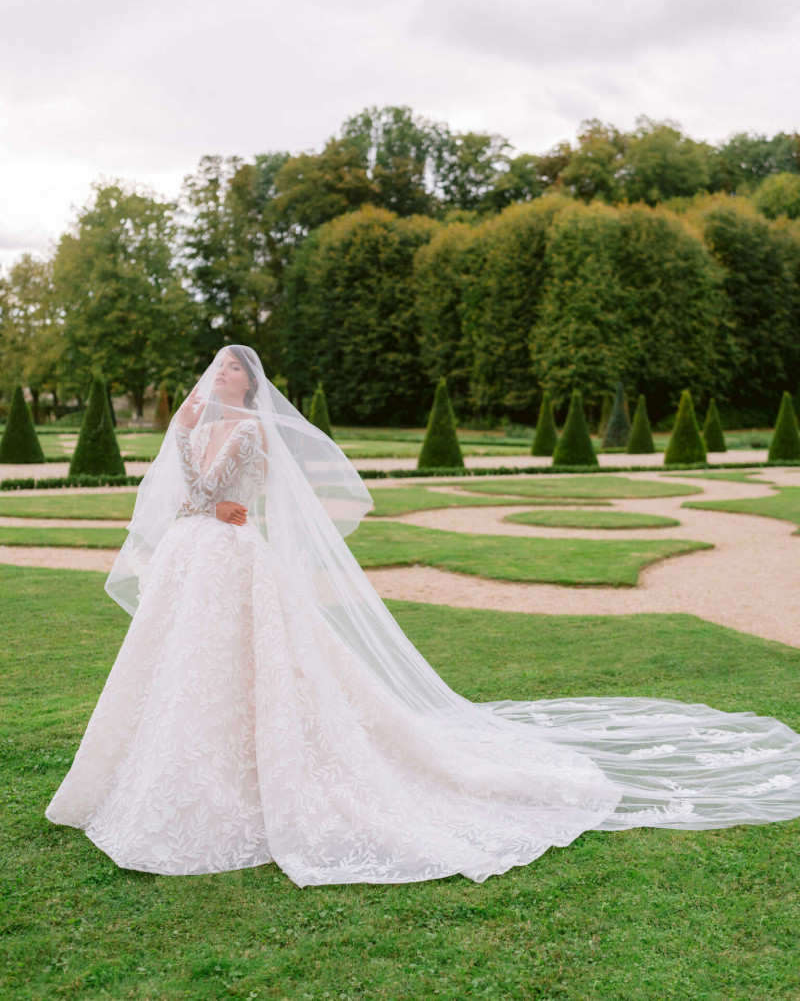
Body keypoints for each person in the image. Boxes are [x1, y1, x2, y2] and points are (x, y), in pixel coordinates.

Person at [45, 345, 800, 887]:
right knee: (183, 669)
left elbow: (209, 489)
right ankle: (168, 773)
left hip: (229, 552)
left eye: (234, 368)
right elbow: (187, 491)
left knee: (254, 664)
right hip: (196, 556)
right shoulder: (200, 425)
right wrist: (181, 438)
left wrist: (184, 439)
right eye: (217, 367)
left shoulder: (245, 428)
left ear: (251, 383)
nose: (221, 375)